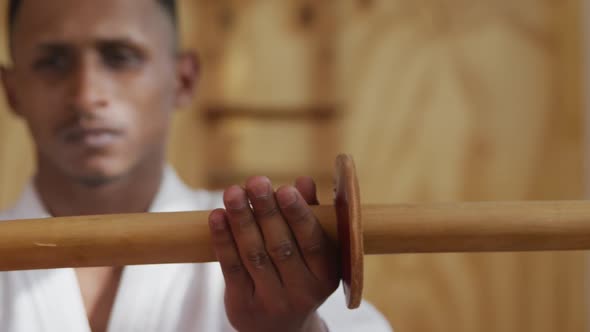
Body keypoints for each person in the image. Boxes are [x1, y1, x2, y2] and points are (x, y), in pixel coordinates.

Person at [0, 0, 392, 331]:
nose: (86, 96)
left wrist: (297, 328)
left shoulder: (274, 258)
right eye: (52, 61)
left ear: (183, 79)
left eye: (121, 57)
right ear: (12, 90)